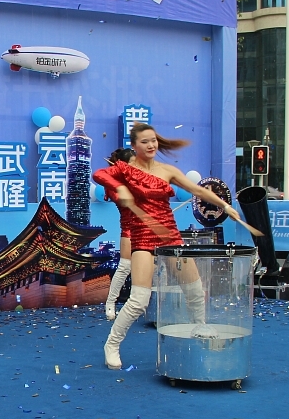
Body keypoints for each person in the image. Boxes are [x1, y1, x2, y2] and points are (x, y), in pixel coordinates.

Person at [92, 123, 243, 370]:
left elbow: (196, 190)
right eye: (144, 142)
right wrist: (120, 186)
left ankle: (200, 328)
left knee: (194, 290)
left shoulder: (167, 170)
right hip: (143, 238)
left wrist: (225, 205)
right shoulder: (125, 169)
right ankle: (112, 344)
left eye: (153, 140)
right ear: (134, 146)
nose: (151, 145)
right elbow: (99, 174)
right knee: (139, 300)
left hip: (170, 236)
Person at [103, 148, 137, 321]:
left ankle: (141, 304)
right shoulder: (115, 185)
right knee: (125, 266)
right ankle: (110, 303)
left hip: (147, 227)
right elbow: (122, 201)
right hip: (129, 227)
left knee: (151, 267)